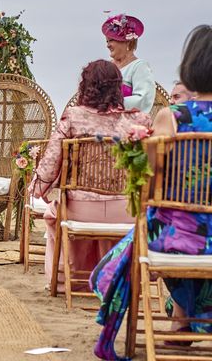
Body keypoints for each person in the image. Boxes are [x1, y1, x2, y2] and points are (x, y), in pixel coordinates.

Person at [90, 25, 212, 359]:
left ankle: (164, 323)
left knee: (145, 231)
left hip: (176, 239)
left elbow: (147, 180)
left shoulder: (171, 118)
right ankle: (184, 322)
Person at [30, 60, 151, 287]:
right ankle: (113, 278)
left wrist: (39, 189)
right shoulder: (139, 121)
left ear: (86, 86)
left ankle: (67, 278)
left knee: (53, 214)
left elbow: (51, 160)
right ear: (118, 87)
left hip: (81, 211)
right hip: (126, 211)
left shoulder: (73, 117)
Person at [103, 13, 156, 113]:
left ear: (127, 42)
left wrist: (111, 104)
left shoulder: (139, 66)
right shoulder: (105, 68)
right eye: (107, 41)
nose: (108, 45)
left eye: (111, 40)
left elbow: (143, 100)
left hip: (127, 124)